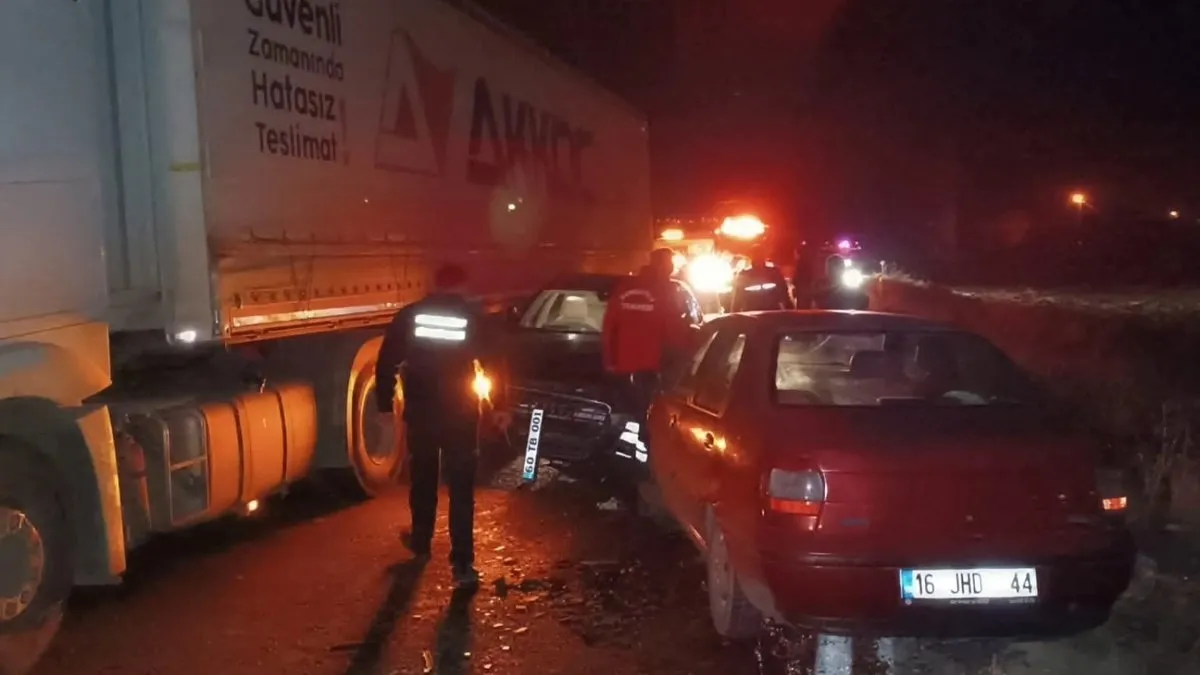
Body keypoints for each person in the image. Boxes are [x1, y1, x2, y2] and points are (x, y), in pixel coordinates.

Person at [375, 262, 504, 588]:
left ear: (435, 283)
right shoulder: (474, 317)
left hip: (422, 412)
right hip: (460, 414)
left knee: (423, 479)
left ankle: (421, 542)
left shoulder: (410, 315)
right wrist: (499, 406)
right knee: (461, 490)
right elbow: (494, 363)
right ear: (462, 285)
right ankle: (462, 566)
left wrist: (383, 403)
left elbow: (387, 359)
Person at [602, 248, 694, 471]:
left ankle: (626, 460)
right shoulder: (665, 290)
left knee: (629, 414)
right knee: (652, 418)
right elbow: (675, 333)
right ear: (663, 265)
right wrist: (686, 356)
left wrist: (609, 361)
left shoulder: (625, 288)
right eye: (670, 263)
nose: (672, 268)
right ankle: (648, 467)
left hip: (623, 368)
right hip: (652, 367)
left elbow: (608, 327)